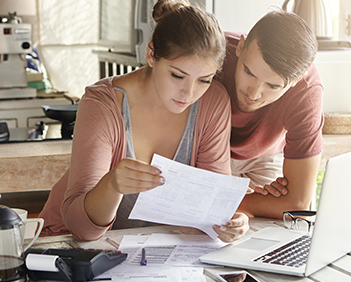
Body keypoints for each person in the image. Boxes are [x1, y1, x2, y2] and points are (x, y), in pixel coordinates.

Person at [38, 0, 249, 243]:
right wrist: (112, 185)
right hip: (69, 246)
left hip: (149, 251)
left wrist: (228, 223)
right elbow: (82, 230)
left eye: (204, 80)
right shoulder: (102, 104)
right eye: (177, 75)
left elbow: (209, 207)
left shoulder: (213, 102)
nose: (188, 93)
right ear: (151, 55)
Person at [218, 10, 324, 218]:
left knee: (268, 232)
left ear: (296, 81)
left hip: (263, 157)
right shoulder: (213, 52)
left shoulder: (307, 90)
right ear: (240, 46)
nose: (253, 93)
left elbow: (297, 203)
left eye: (273, 86)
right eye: (249, 72)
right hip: (205, 153)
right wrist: (231, 199)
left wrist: (224, 200)